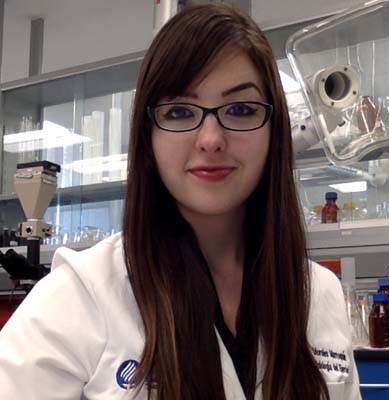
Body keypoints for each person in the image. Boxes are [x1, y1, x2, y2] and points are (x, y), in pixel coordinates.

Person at [0, 4, 361, 400]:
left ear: (274, 130)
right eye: (179, 111)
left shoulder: (319, 293)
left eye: (240, 109)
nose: (210, 138)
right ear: (147, 135)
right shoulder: (80, 296)